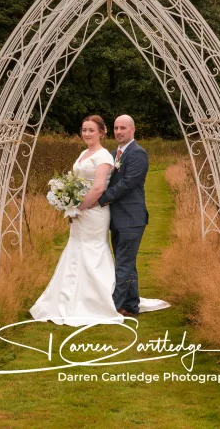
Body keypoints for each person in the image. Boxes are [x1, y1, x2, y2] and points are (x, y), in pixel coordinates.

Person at [29, 115, 122, 326]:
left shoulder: (104, 156)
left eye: (91, 130)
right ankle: (67, 295)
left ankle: (96, 300)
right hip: (79, 211)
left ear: (101, 132)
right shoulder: (83, 153)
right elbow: (75, 181)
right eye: (84, 130)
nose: (87, 134)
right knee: (75, 247)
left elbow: (98, 188)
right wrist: (67, 200)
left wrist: (78, 206)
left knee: (92, 249)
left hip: (94, 212)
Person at [79, 114, 148, 317]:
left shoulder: (138, 154)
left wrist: (99, 199)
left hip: (132, 217)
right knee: (126, 262)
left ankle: (111, 308)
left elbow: (127, 183)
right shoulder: (112, 154)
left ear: (133, 130)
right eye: (117, 128)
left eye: (123, 128)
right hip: (116, 218)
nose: (119, 131)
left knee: (124, 263)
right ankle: (131, 305)